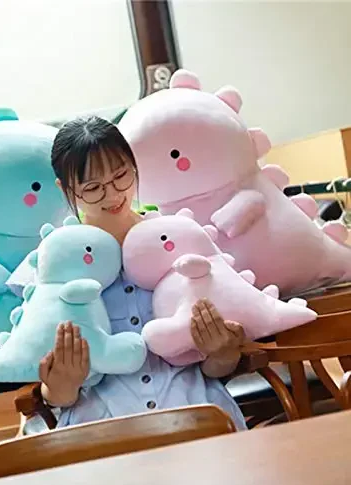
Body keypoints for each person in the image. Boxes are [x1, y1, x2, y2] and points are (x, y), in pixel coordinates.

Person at [37, 116, 247, 430]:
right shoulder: (56, 260)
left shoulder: (178, 237)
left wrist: (223, 353)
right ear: (65, 188)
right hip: (101, 430)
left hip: (196, 413)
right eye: (92, 188)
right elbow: (57, 395)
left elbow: (216, 368)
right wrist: (62, 384)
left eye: (121, 175)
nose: (113, 195)